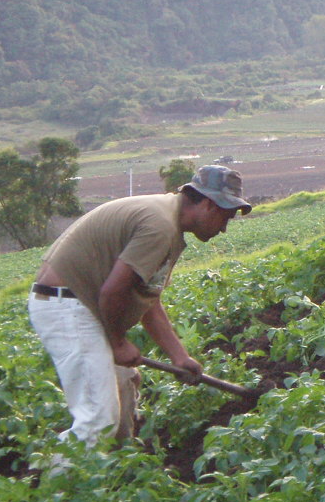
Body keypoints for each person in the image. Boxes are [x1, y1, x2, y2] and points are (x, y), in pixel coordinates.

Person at [27, 164, 252, 453]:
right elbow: (112, 292)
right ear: (208, 204)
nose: (223, 228)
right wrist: (117, 343)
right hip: (67, 305)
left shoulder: (167, 221)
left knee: (121, 391)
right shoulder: (159, 226)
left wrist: (179, 356)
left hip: (80, 304)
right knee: (99, 418)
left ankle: (114, 475)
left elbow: (146, 298)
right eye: (226, 217)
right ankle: (53, 483)